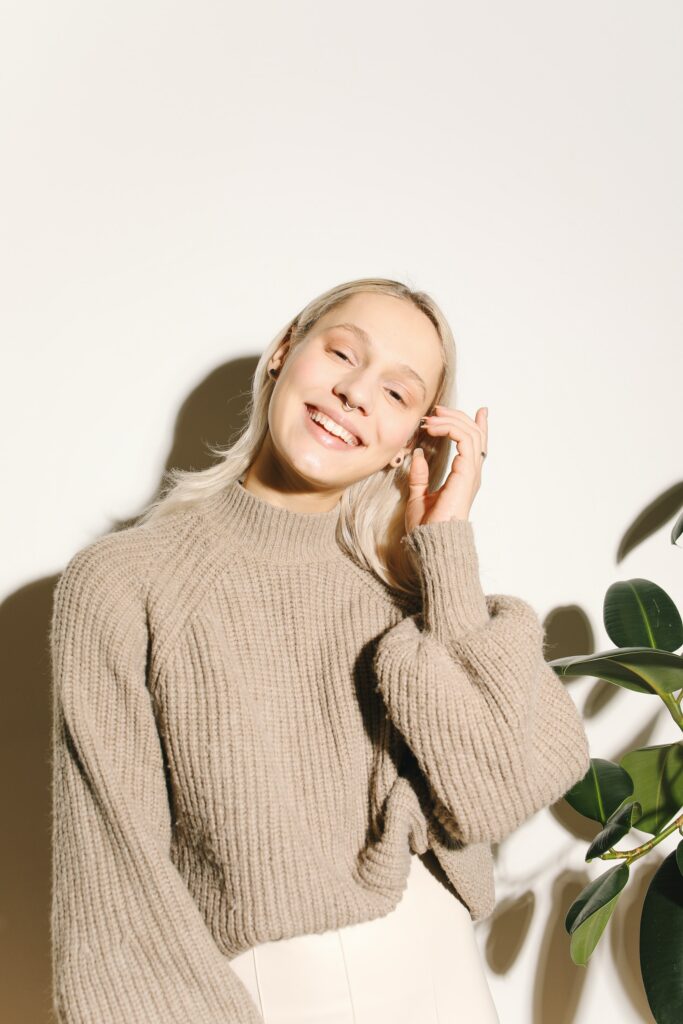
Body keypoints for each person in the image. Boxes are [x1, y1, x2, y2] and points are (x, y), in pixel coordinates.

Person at [49, 277, 591, 1023]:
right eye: (342, 353)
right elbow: (113, 880)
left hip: (439, 974)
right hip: (266, 991)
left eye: (398, 394)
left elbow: (494, 790)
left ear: (413, 441)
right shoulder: (123, 581)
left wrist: (444, 548)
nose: (355, 394)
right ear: (282, 352)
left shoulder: (408, 591)